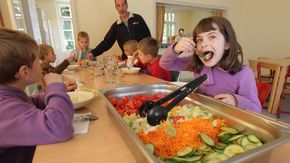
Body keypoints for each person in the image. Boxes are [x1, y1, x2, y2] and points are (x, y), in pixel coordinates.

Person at [0, 28, 74, 163]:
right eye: (37, 62)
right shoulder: (4, 110)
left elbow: (30, 102)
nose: (41, 65)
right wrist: (55, 89)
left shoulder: (9, 95)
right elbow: (60, 127)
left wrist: (53, 93)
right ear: (24, 72)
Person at [160, 16, 261, 113]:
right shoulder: (196, 63)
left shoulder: (244, 74)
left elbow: (256, 108)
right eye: (199, 40)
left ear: (227, 43)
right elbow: (165, 64)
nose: (203, 44)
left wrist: (236, 100)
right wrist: (176, 48)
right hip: (197, 116)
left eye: (212, 37)